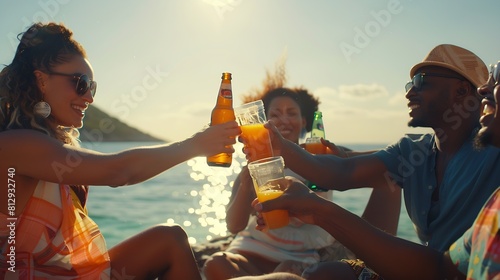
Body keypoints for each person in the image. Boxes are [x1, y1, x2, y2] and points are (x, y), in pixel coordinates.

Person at [0, 22, 240, 279]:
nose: (90, 98)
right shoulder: (15, 145)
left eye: (92, 87)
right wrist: (196, 145)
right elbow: (118, 171)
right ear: (42, 79)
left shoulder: (48, 143)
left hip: (61, 272)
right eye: (81, 83)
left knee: (169, 240)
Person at [244, 44, 500, 279]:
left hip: (448, 270)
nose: (410, 92)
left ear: (463, 90)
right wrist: (279, 145)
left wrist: (316, 208)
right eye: (409, 84)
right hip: (433, 267)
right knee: (319, 275)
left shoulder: (494, 151)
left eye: (421, 82)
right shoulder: (413, 151)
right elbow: (343, 171)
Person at [203, 61, 401, 279]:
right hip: (252, 250)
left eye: (291, 113)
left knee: (288, 270)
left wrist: (342, 159)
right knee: (215, 264)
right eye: (276, 114)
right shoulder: (257, 163)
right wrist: (245, 185)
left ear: (303, 121)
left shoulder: (320, 155)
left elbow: (387, 161)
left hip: (299, 256)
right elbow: (234, 226)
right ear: (265, 122)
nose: (284, 120)